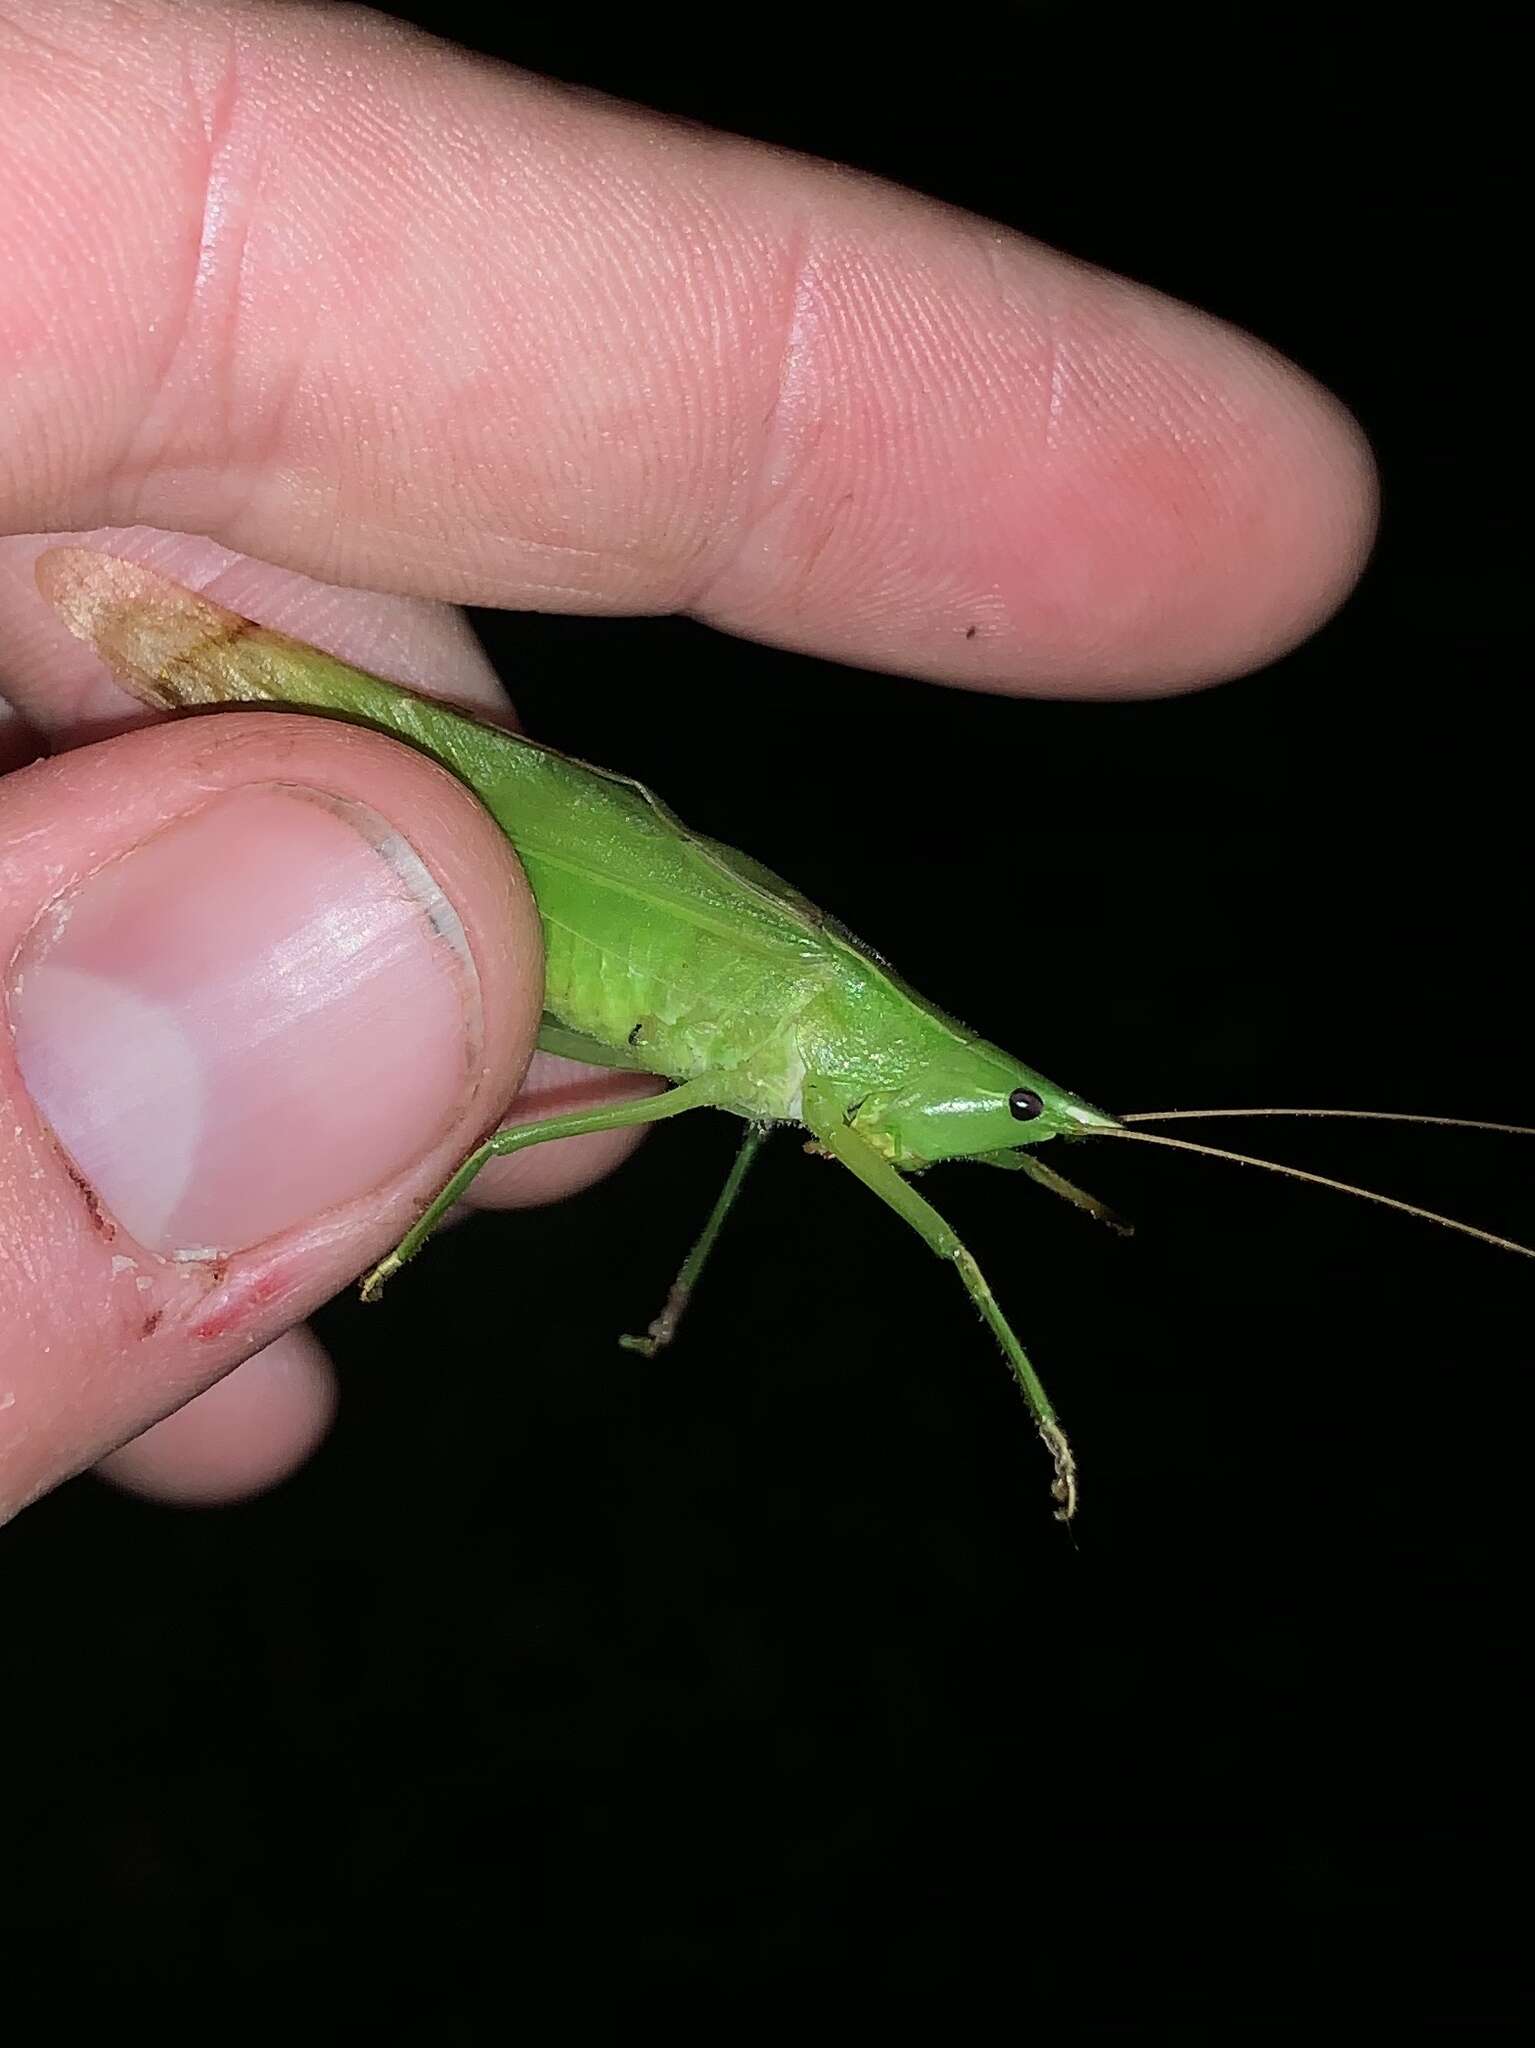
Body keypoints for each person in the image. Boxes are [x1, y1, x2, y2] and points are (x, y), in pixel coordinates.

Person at [0, 0, 1376, 1519]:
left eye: (1030, 1120)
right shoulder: (826, 1034)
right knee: (856, 1203)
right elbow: (950, 1238)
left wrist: (1052, 1139)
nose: (1018, 1130)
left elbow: (918, 1112)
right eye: (1024, 1123)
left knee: (659, 1110)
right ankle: (229, 676)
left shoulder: (858, 1076)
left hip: (643, 992)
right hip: (578, 904)